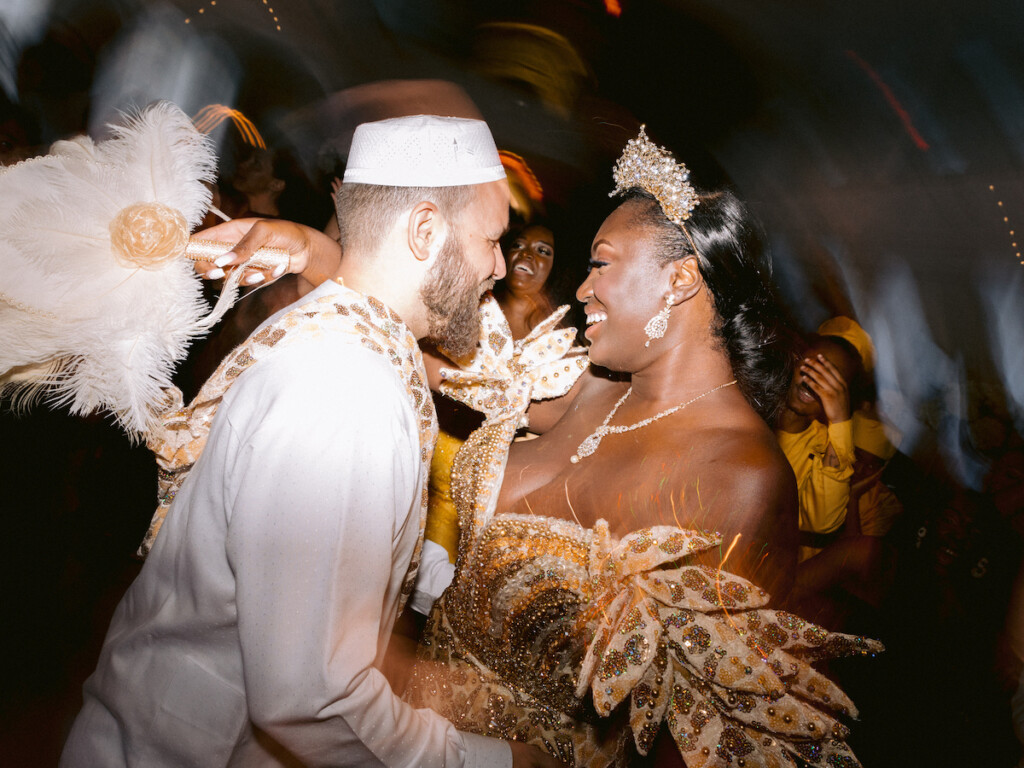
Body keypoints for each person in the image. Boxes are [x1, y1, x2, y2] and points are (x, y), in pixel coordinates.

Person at [60, 115, 557, 768]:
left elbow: (362, 548)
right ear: (425, 230)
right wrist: (497, 762)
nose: (498, 265)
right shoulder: (345, 386)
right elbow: (313, 698)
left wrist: (474, 596)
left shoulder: (358, 340)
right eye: (491, 239)